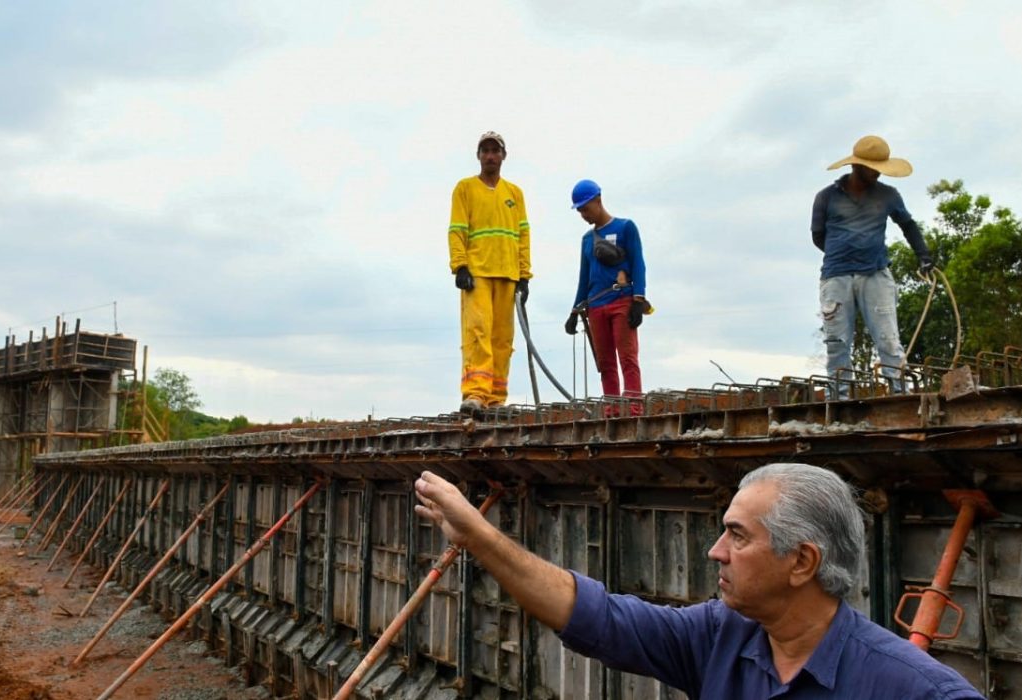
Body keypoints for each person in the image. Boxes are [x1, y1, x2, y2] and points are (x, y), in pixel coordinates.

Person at [413, 463, 984, 699]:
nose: (715, 552)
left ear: (802, 562)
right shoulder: (719, 636)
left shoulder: (917, 690)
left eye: (738, 536)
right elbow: (598, 619)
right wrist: (479, 538)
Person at [812, 135, 933, 398]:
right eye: (871, 168)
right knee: (837, 344)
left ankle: (899, 398)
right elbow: (818, 236)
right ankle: (839, 404)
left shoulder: (888, 195)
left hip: (876, 274)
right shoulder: (826, 197)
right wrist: (845, 254)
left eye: (879, 168)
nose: (876, 173)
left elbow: (908, 225)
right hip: (836, 277)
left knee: (889, 340)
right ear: (855, 166)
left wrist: (923, 255)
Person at [448, 131, 532, 416]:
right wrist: (459, 265)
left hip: (507, 274)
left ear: (503, 156)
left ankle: (496, 397)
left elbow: (523, 235)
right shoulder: (465, 188)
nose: (490, 156)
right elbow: (457, 229)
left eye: (495, 150)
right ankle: (475, 394)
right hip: (478, 274)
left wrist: (524, 274)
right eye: (485, 151)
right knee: (477, 333)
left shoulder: (514, 194)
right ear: (478, 156)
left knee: (502, 340)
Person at [564, 179, 649, 411]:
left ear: (598, 200)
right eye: (579, 210)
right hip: (595, 306)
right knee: (605, 364)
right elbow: (584, 278)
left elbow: (638, 264)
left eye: (586, 208)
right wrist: (574, 311)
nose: (583, 214)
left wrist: (638, 300)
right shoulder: (587, 240)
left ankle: (633, 411)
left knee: (628, 359)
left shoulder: (625, 228)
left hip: (621, 301)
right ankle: (612, 412)